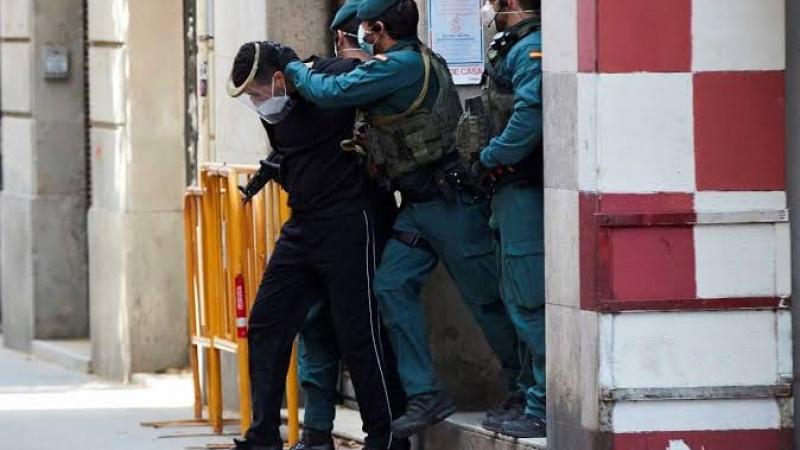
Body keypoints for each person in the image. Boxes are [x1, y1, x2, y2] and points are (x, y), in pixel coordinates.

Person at [270, 0, 528, 438]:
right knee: (391, 286)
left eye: (365, 29)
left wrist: (291, 66)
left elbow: (329, 92)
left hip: (450, 206)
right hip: (418, 207)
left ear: (377, 29)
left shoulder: (400, 66)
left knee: (487, 302)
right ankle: (425, 393)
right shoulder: (411, 60)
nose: (362, 37)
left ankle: (526, 391)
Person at [227, 40, 405, 450]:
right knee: (266, 323)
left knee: (360, 334)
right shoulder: (277, 111)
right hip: (304, 223)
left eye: (257, 94)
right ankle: (263, 436)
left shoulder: (333, 78)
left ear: (279, 79)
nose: (258, 105)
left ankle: (386, 437)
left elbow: (373, 80)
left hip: (351, 221)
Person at [287, 2, 406, 450]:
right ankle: (319, 432)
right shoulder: (324, 81)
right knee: (321, 325)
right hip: (331, 221)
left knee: (361, 333)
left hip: (361, 221)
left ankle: (382, 434)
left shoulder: (374, 79)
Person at [461, 0, 546, 438]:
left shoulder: (531, 49)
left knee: (530, 302)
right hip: (506, 193)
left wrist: (490, 157)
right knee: (516, 300)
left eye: (494, 2)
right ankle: (529, 396)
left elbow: (529, 115)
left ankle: (543, 405)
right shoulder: (513, 47)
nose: (488, 8)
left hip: (522, 191)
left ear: (511, 3)